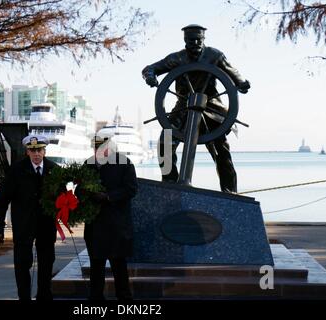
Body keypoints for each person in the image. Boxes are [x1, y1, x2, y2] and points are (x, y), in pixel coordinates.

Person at [142, 24, 251, 193]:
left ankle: (230, 192)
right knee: (165, 144)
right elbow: (150, 69)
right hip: (183, 109)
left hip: (212, 110)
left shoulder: (215, 56)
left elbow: (231, 71)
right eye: (191, 40)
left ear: (203, 39)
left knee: (221, 152)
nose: (195, 43)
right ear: (185, 41)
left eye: (198, 40)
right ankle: (170, 184)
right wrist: (150, 76)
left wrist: (241, 82)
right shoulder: (176, 58)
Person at [0, 134, 58, 301]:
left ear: (45, 151)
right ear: (27, 152)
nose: (36, 153)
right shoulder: (17, 170)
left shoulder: (54, 169)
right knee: (22, 264)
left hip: (46, 224)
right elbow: (3, 197)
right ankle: (24, 297)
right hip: (24, 224)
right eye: (32, 150)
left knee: (46, 262)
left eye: (39, 150)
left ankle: (44, 295)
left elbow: (62, 196)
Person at [83, 135, 138, 300]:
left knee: (119, 267)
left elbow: (131, 189)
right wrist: (84, 194)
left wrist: (108, 197)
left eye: (101, 149)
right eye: (95, 149)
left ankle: (124, 301)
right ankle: (95, 301)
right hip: (95, 226)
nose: (97, 152)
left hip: (117, 226)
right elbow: (80, 188)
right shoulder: (88, 164)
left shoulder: (124, 163)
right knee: (96, 266)